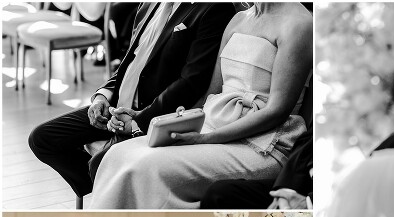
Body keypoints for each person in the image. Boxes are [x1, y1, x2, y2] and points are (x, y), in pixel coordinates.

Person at [90, 3, 313, 209]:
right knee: (118, 155)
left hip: (263, 143)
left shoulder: (299, 24)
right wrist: (169, 120)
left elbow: (277, 111)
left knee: (149, 166)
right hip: (214, 124)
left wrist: (205, 139)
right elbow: (211, 94)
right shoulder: (238, 19)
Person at [28, 2, 237, 203]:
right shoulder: (149, 4)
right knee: (42, 139)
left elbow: (192, 82)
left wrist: (139, 121)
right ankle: (106, 186)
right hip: (115, 107)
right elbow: (131, 62)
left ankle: (109, 189)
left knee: (100, 164)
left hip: (153, 114)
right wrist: (102, 97)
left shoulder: (214, 7)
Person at [200, 125, 313, 209]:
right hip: (305, 182)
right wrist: (287, 188)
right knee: (219, 194)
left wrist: (309, 203)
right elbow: (309, 141)